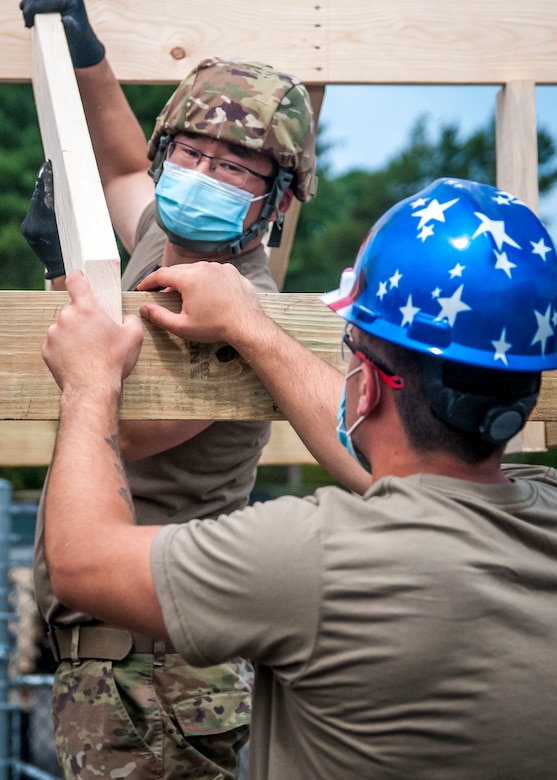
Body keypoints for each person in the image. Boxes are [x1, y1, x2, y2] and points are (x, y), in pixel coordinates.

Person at [41, 176, 557, 779]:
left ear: (365, 382)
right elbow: (418, 476)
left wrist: (89, 384)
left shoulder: (316, 557)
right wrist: (251, 327)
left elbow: (82, 562)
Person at [19, 1, 319, 778]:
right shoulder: (165, 235)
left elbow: (122, 424)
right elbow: (121, 163)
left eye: (232, 167)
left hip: (160, 676)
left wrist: (60, 275)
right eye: (189, 151)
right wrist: (84, 51)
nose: (201, 175)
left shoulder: (230, 305)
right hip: (123, 667)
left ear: (275, 197)